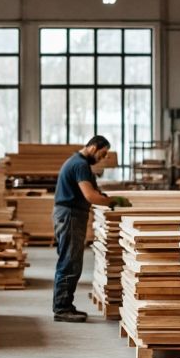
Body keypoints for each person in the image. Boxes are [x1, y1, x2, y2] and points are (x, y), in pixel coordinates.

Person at [51, 136, 113, 322]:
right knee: (69, 262)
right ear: (93, 147)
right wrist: (112, 202)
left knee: (69, 260)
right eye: (102, 153)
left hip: (68, 214)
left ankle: (64, 306)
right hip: (70, 216)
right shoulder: (80, 165)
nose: (102, 158)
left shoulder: (77, 162)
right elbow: (90, 195)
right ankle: (62, 309)